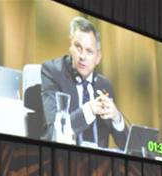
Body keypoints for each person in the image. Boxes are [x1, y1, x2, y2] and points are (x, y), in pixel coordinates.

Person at [41, 16, 128, 149]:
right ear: (70, 45)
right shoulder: (53, 72)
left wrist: (117, 118)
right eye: (78, 47)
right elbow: (55, 132)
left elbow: (126, 147)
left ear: (98, 57)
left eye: (89, 51)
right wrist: (90, 110)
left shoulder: (105, 85)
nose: (82, 56)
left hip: (100, 166)